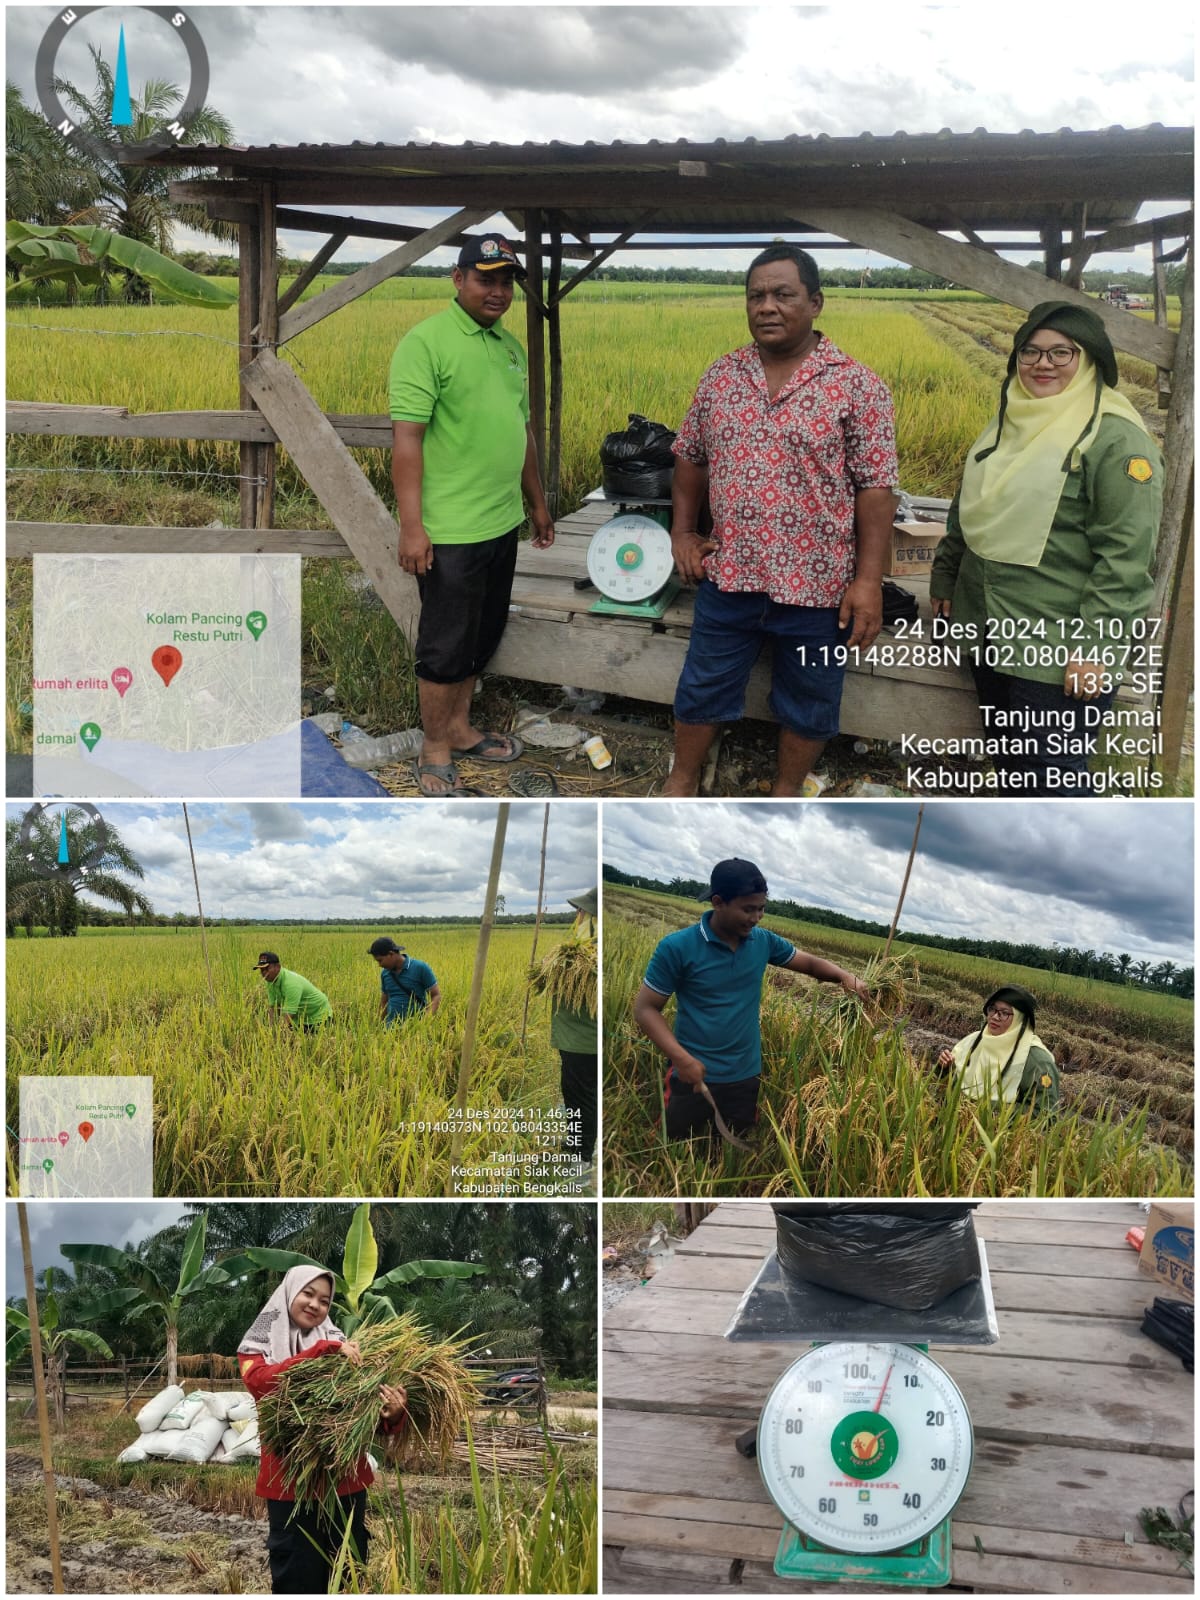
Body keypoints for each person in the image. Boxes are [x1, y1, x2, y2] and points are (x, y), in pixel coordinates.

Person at [663, 244, 899, 796]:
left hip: (819, 588)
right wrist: (682, 532)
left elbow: (876, 490)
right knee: (702, 687)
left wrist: (867, 582)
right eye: (756, 296)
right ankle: (681, 780)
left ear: (815, 303)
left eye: (783, 294)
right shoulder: (723, 375)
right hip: (731, 576)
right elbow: (689, 457)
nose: (766, 306)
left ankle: (785, 790)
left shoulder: (857, 385)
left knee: (811, 700)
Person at [930, 300, 1164, 794]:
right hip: (991, 628)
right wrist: (947, 576)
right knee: (1011, 762)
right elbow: (968, 507)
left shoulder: (1115, 442)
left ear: (1090, 360)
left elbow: (1125, 560)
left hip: (1056, 646)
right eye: (1030, 352)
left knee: (1051, 782)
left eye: (1062, 353)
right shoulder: (1008, 424)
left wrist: (1097, 648)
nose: (1043, 364)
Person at [389, 231, 556, 798]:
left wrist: (536, 502)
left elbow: (521, 431)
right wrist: (413, 527)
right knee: (444, 645)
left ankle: (460, 729)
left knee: (481, 635)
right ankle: (434, 747)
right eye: (486, 279)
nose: (498, 291)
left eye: (506, 282)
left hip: (500, 521)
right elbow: (407, 440)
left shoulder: (510, 347)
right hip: (450, 529)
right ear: (458, 279)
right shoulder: (426, 343)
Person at [632, 858, 870, 1144]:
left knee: (733, 1147)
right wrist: (682, 1060)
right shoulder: (677, 947)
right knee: (675, 1146)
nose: (756, 918)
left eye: (762, 909)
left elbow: (809, 964)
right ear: (718, 902)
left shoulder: (763, 942)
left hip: (745, 1074)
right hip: (693, 1073)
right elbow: (645, 1009)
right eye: (748, 909)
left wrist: (846, 977)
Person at [238, 1266, 407, 1595]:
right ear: (289, 1293)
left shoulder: (348, 1349)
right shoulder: (257, 1347)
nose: (316, 1304)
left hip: (346, 1485)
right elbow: (264, 1383)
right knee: (297, 1580)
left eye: (326, 1300)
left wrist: (393, 1414)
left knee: (347, 1576)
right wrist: (324, 1352)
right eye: (308, 1294)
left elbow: (366, 1419)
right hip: (291, 1489)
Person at [937, 986, 1060, 1112]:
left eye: (1004, 1013)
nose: (995, 1017)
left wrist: (988, 1110)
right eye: (992, 1009)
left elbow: (1045, 1115)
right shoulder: (974, 1041)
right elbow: (955, 1085)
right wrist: (945, 1068)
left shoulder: (1037, 1061)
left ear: (1020, 1019)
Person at [552, 889, 598, 1172]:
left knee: (583, 1097)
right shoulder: (579, 951)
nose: (577, 916)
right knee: (572, 1093)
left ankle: (583, 1155)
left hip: (584, 1041)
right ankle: (574, 1141)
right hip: (572, 1038)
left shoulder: (591, 955)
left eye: (581, 912)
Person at [367, 936, 441, 1025]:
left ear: (391, 954)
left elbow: (436, 995)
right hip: (390, 1030)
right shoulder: (385, 974)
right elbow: (384, 1002)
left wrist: (425, 1022)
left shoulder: (420, 967)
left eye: (380, 960)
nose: (379, 965)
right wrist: (380, 1025)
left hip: (415, 1027)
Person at [253, 953, 333, 1032]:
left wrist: (277, 1034)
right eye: (262, 970)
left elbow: (288, 1013)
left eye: (267, 969)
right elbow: (274, 1007)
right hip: (299, 1018)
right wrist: (271, 1029)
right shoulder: (270, 981)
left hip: (318, 1017)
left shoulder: (291, 984)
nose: (264, 973)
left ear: (278, 967)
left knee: (295, 1036)